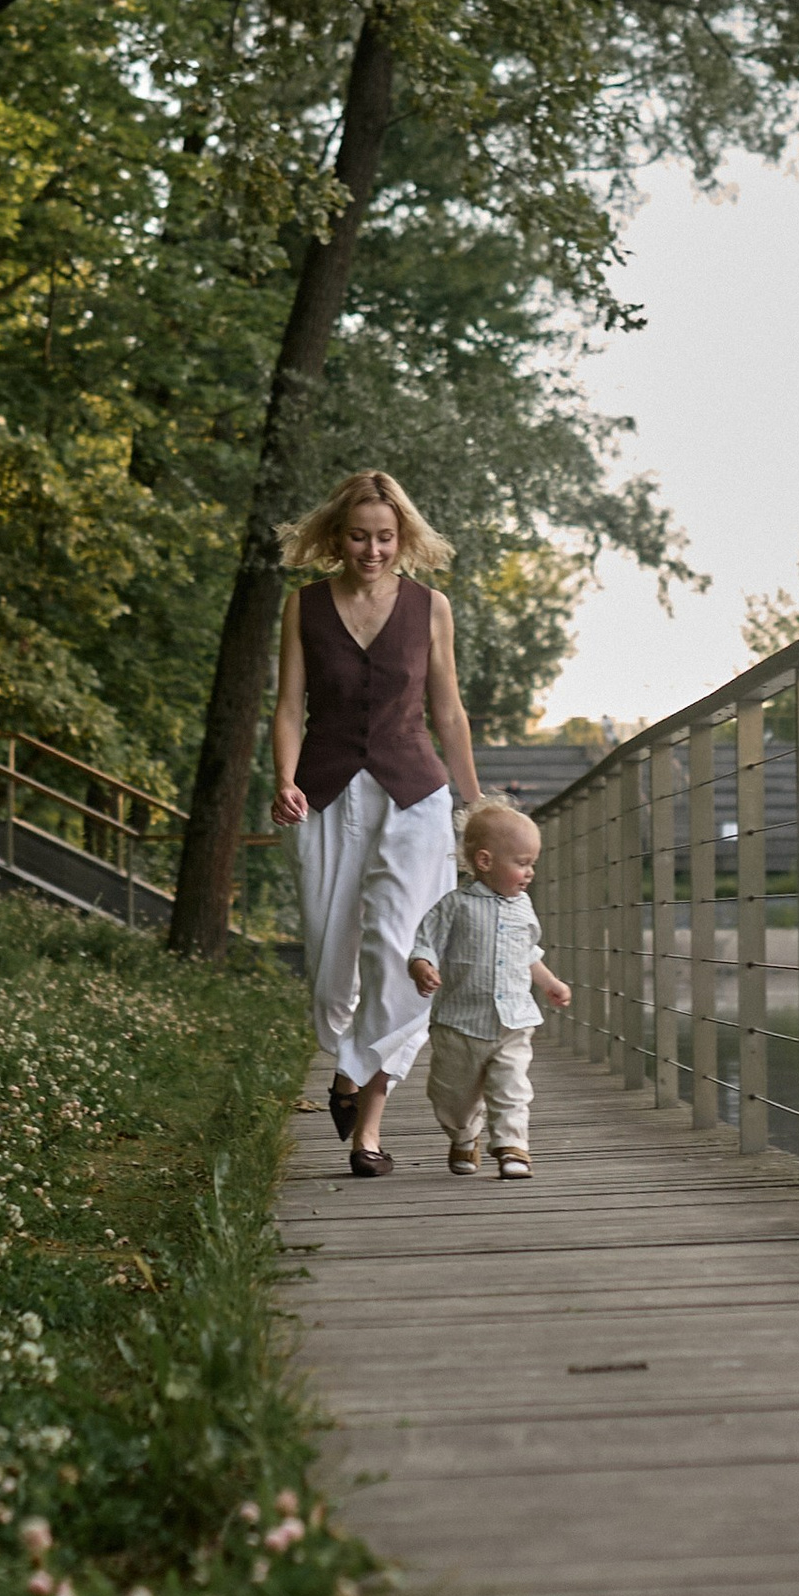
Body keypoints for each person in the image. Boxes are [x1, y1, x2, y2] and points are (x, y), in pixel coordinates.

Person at [270, 468, 479, 1179]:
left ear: (403, 539)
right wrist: (284, 780)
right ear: (336, 537)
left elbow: (448, 712)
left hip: (415, 794)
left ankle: (366, 1115)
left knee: (403, 960)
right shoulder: (302, 608)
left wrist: (472, 807)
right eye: (359, 537)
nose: (372, 551)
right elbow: (288, 707)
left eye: (385, 538)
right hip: (327, 794)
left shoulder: (432, 609)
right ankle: (345, 1065)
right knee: (332, 974)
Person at [408, 800, 571, 1180]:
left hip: (511, 1023)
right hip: (459, 1024)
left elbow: (526, 953)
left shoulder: (524, 907)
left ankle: (513, 1147)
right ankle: (464, 1136)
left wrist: (550, 982)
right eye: (522, 862)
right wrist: (422, 966)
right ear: (484, 861)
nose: (530, 872)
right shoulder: (454, 906)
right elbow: (425, 942)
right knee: (452, 1096)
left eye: (532, 863)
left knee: (512, 1088)